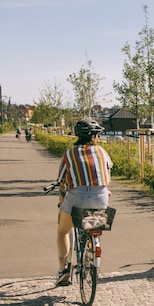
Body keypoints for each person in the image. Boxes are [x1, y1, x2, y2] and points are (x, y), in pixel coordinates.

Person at [55, 119, 113, 286]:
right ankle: (93, 249)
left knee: (63, 230)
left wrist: (61, 203)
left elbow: (61, 182)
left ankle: (63, 269)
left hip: (76, 197)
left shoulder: (69, 154)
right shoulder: (102, 152)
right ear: (94, 136)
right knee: (94, 224)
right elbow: (108, 176)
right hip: (101, 197)